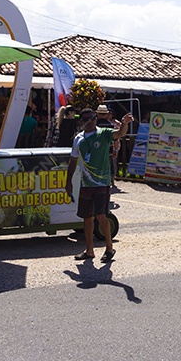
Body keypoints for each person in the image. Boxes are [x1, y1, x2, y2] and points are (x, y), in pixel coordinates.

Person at [65, 107, 133, 262]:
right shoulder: (78, 139)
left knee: (101, 215)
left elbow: (120, 134)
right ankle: (89, 251)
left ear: (96, 119)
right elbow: (73, 161)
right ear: (81, 122)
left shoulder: (104, 133)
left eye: (92, 118)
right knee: (87, 218)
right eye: (86, 119)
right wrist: (68, 182)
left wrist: (124, 123)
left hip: (102, 182)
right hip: (85, 183)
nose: (90, 122)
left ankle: (109, 248)